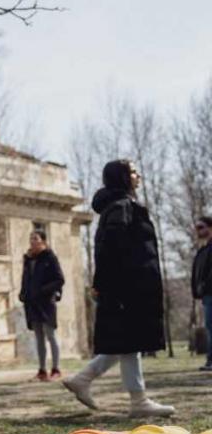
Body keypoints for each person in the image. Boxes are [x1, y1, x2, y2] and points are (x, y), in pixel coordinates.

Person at [61, 159, 175, 418]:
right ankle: (137, 400)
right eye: (133, 171)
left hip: (128, 285)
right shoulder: (122, 208)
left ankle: (85, 379)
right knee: (129, 341)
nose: (138, 175)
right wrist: (108, 285)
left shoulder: (120, 207)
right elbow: (110, 250)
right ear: (122, 177)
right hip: (127, 287)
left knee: (127, 342)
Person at [19, 229, 65, 381]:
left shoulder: (50, 258)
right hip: (32, 303)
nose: (32, 241)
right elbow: (25, 279)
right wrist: (23, 293)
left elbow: (60, 279)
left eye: (35, 239)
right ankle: (42, 370)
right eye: (31, 239)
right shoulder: (28, 259)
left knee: (50, 335)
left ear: (43, 242)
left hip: (46, 303)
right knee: (38, 337)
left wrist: (43, 290)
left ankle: (56, 369)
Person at [192, 215, 212, 371]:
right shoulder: (203, 250)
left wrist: (204, 286)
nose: (197, 231)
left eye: (201, 227)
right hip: (206, 295)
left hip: (210, 292)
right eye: (196, 228)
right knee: (209, 326)